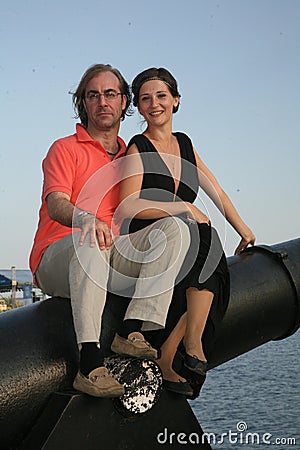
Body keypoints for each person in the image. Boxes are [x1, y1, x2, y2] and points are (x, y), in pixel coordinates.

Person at [29, 64, 191, 398]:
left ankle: (133, 330)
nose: (102, 101)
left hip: (111, 257)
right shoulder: (65, 148)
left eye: (110, 94)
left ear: (123, 102)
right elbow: (56, 203)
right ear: (84, 103)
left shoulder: (132, 154)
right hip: (60, 254)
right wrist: (85, 218)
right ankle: (89, 364)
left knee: (174, 229)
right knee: (92, 239)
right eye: (93, 95)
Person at [118, 67, 256, 396]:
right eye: (145, 98)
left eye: (161, 96)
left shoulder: (185, 145)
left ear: (176, 101)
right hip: (151, 236)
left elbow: (216, 191)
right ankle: (192, 346)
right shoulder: (138, 148)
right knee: (204, 237)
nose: (154, 104)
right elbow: (128, 207)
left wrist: (243, 228)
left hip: (189, 236)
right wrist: (181, 208)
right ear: (138, 107)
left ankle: (174, 351)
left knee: (210, 255)